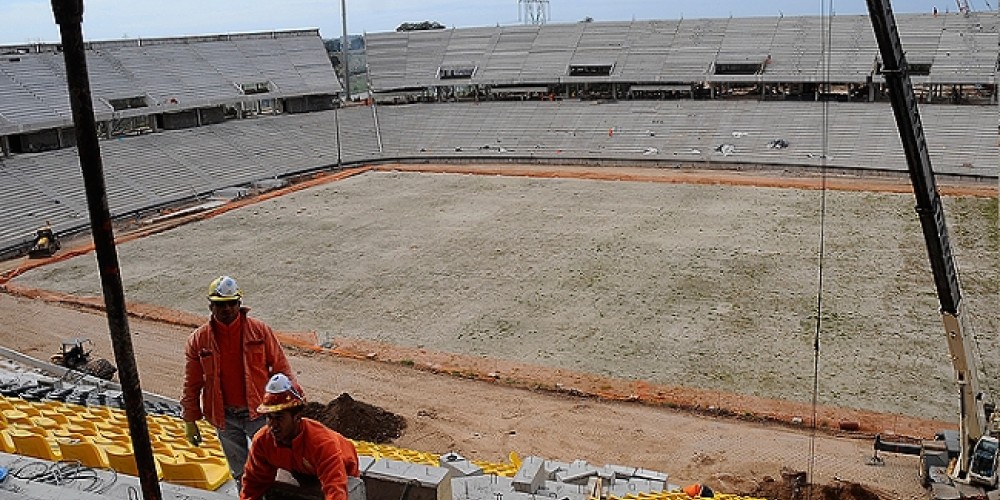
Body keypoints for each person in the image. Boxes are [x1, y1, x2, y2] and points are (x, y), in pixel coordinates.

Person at [181, 275, 301, 484]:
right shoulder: (199, 341)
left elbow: (281, 369)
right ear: (210, 306)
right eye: (220, 304)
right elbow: (192, 383)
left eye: (231, 303)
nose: (226, 309)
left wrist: (293, 403)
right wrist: (190, 419)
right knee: (242, 474)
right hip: (225, 417)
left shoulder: (259, 331)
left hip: (260, 414)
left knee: (272, 469)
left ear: (239, 304)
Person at [240, 373, 364, 500]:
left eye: (279, 418)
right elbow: (253, 484)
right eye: (269, 417)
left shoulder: (322, 444)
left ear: (297, 417)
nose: (272, 425)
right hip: (303, 469)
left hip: (342, 470)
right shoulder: (262, 441)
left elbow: (335, 490)